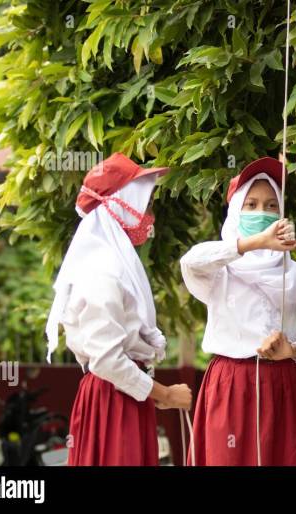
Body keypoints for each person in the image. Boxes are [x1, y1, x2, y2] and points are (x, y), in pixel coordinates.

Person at [180, 156, 296, 465]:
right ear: (235, 211)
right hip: (230, 385)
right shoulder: (220, 270)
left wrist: (294, 349)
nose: (261, 211)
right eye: (250, 204)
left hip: (282, 386)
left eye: (270, 205)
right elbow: (190, 262)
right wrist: (252, 242)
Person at [45, 153, 192, 466]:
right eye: (146, 204)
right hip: (112, 399)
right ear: (122, 204)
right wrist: (165, 394)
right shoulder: (104, 269)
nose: (149, 215)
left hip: (121, 395)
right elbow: (107, 359)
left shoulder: (112, 262)